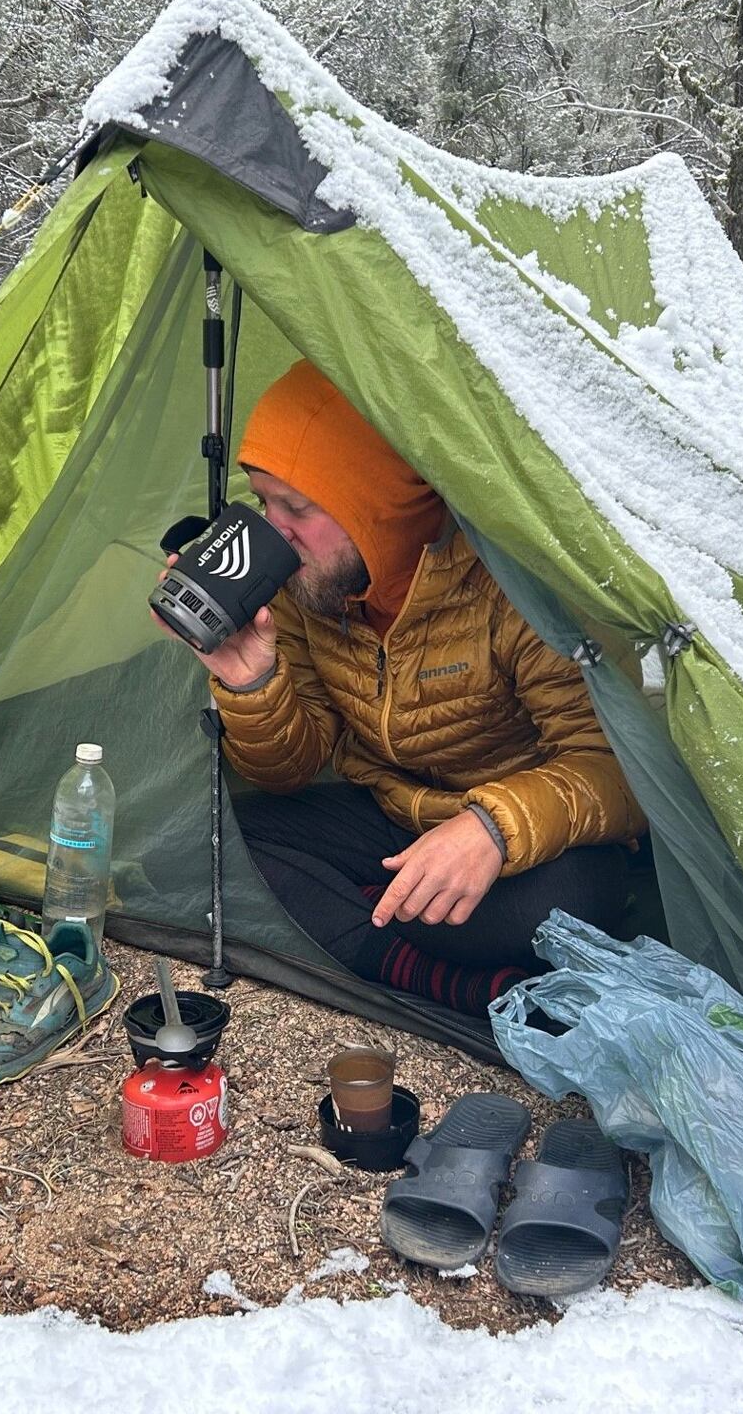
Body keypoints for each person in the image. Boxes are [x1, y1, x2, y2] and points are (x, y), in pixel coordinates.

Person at [158, 360, 645, 1015]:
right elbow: (290, 770)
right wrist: (253, 682)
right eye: (264, 501)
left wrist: (493, 828)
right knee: (205, 843)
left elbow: (617, 771)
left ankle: (358, 929)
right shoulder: (307, 588)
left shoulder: (515, 592)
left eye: (297, 507)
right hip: (390, 819)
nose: (276, 530)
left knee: (569, 905)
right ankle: (448, 981)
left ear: (382, 507)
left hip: (523, 845)